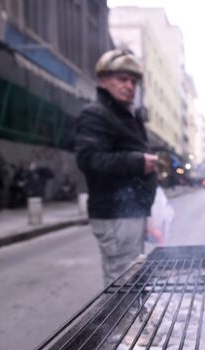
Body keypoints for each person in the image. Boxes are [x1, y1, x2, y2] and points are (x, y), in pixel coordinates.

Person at [75, 49, 159, 286]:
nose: (130, 86)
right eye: (122, 79)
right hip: (114, 214)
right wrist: (138, 162)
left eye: (133, 81)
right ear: (103, 80)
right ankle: (124, 325)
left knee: (132, 276)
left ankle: (133, 322)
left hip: (129, 212)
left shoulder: (126, 115)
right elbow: (89, 159)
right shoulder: (96, 114)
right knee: (122, 281)